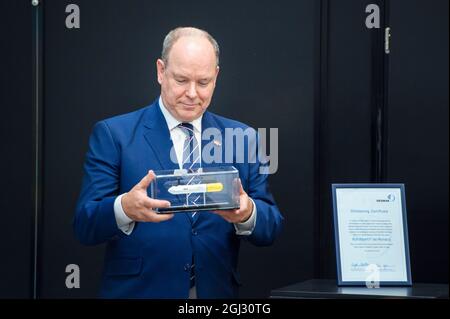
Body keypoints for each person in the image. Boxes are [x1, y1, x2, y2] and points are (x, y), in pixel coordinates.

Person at [74, 27, 283, 298]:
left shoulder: (242, 138)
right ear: (161, 71)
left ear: (217, 76)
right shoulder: (114, 135)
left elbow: (271, 227)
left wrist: (247, 213)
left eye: (204, 82)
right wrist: (124, 208)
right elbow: (84, 225)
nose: (192, 93)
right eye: (181, 80)